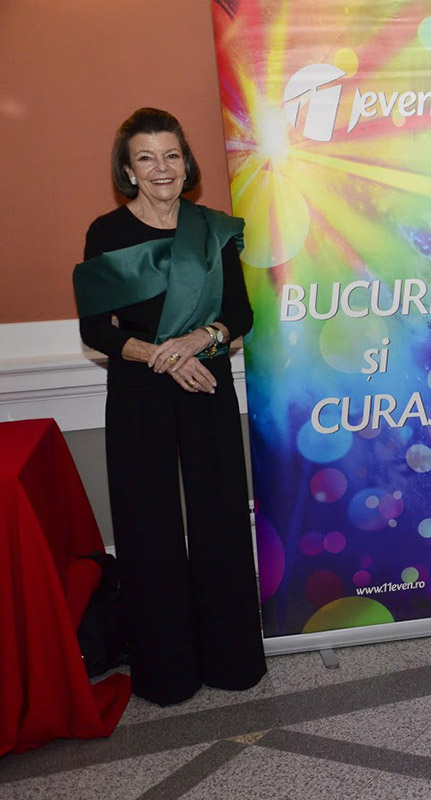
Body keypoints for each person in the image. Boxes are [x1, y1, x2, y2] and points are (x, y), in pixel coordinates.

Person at [73, 108, 266, 706]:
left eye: (171, 155)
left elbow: (240, 315)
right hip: (139, 391)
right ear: (128, 170)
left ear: (187, 162)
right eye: (146, 158)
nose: (161, 168)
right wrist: (161, 355)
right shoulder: (107, 233)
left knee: (221, 516)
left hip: (206, 382)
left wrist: (196, 341)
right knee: (147, 527)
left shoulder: (212, 229)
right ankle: (166, 673)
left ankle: (233, 661)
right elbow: (96, 330)